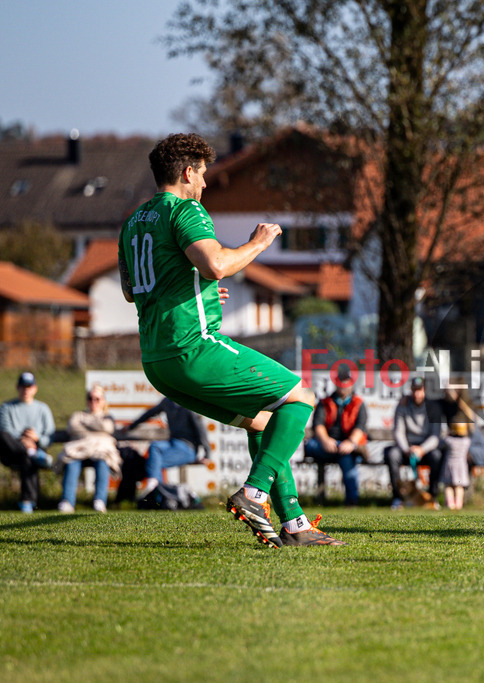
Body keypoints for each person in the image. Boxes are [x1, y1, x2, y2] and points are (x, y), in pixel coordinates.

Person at [118, 132, 341, 547]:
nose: (204, 184)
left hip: (157, 361)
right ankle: (254, 493)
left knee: (263, 420)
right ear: (187, 173)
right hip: (193, 347)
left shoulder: (132, 224)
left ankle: (294, 526)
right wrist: (257, 244)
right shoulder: (186, 210)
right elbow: (217, 264)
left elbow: (133, 291)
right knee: (301, 397)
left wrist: (194, 292)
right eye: (201, 175)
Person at [303, 365, 368, 505]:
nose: (344, 386)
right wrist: (326, 441)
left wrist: (350, 443)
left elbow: (360, 427)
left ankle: (351, 501)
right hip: (323, 445)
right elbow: (318, 426)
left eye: (347, 382)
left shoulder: (358, 404)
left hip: (346, 446)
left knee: (345, 454)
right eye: (340, 382)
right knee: (312, 446)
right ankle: (352, 500)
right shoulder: (325, 402)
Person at [124, 396, 211, 498]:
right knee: (154, 448)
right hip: (172, 443)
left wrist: (207, 454)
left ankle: (155, 490)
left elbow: (200, 429)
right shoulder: (167, 401)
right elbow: (150, 413)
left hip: (188, 448)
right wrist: (131, 426)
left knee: (154, 461)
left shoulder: (188, 404)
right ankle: (157, 492)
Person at [0, 372, 55, 513]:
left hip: (34, 449)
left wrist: (37, 438)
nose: (26, 390)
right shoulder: (6, 408)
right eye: (23, 386)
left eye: (29, 386)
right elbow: (6, 430)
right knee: (0, 435)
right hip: (12, 451)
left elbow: (50, 436)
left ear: (35, 388)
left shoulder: (43, 409)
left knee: (27, 458)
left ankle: (27, 502)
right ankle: (32, 453)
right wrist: (25, 442)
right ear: (17, 387)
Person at [57, 384, 120, 514]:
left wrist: (86, 423)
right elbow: (73, 427)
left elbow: (108, 427)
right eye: (90, 398)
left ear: (103, 401)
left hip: (100, 450)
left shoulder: (107, 417)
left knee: (103, 463)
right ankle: (67, 502)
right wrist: (96, 426)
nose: (93, 402)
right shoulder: (78, 415)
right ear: (87, 400)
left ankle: (100, 501)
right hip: (79, 449)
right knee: (71, 463)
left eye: (97, 399)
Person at [384, 376, 445, 510]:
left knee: (437, 456)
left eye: (420, 390)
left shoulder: (433, 408)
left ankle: (432, 497)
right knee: (392, 455)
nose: (417, 393)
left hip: (426, 448)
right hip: (406, 447)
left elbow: (435, 436)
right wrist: (407, 449)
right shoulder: (402, 405)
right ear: (411, 390)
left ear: (425, 390)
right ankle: (397, 498)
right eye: (414, 390)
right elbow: (398, 432)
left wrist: (421, 449)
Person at [441, 420, 471, 510]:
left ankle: (450, 504)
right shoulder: (466, 441)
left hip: (449, 465)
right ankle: (458, 504)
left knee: (448, 486)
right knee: (459, 486)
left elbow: (442, 440)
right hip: (461, 467)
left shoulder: (449, 441)